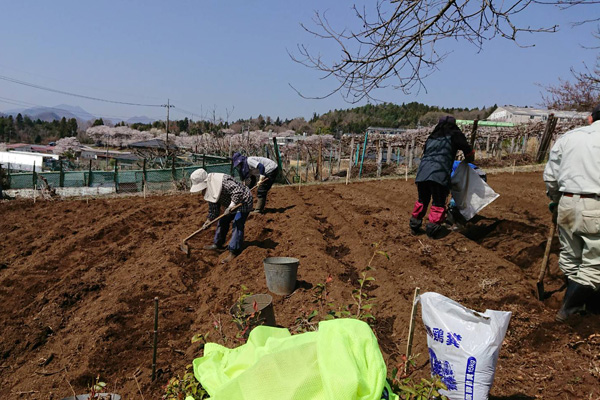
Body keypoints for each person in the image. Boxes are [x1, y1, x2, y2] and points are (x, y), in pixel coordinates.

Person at [544, 104, 600, 322]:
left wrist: (556, 201)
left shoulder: (569, 137)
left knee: (570, 255)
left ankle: (580, 300)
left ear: (590, 118)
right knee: (595, 264)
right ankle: (569, 309)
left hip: (567, 202)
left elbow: (551, 176)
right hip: (596, 204)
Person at [409, 116, 475, 238]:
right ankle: (432, 231)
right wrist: (471, 159)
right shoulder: (455, 134)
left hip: (423, 172)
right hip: (439, 173)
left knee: (422, 200)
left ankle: (414, 226)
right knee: (438, 202)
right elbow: (468, 151)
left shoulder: (433, 136)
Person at [190, 168, 254, 263]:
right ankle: (218, 244)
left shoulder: (222, 181)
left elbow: (238, 191)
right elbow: (213, 206)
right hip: (230, 204)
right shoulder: (209, 188)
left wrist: (232, 206)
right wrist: (209, 220)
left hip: (243, 202)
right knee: (223, 221)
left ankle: (234, 251)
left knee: (237, 223)